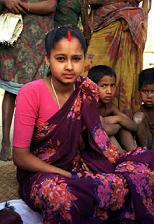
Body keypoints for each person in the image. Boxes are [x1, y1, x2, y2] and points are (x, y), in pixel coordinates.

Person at [13, 26, 154, 224]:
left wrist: (108, 162)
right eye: (61, 59)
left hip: (82, 164)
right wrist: (66, 174)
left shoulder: (86, 90)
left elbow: (97, 141)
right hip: (44, 174)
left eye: (76, 59)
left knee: (147, 161)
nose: (69, 66)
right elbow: (20, 156)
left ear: (84, 59)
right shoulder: (31, 92)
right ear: (47, 59)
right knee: (61, 198)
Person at [0, 0, 57, 161]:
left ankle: (29, 143)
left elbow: (50, 6)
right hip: (12, 35)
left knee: (34, 92)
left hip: (37, 39)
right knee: (10, 90)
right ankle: (5, 142)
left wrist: (23, 7)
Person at [84, 0, 151, 116]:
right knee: (92, 76)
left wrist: (140, 18)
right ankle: (88, 119)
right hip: (106, 24)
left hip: (130, 27)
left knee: (126, 78)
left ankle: (122, 120)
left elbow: (146, 4)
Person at [88, 65, 137, 152]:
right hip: (89, 143)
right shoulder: (88, 105)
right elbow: (103, 132)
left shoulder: (109, 106)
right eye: (104, 86)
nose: (109, 91)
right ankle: (121, 155)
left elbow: (134, 127)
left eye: (112, 85)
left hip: (108, 136)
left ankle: (133, 152)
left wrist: (117, 119)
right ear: (92, 86)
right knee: (109, 127)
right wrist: (119, 121)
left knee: (124, 122)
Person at [133, 67, 154, 150]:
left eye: (153, 91)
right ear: (139, 91)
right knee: (138, 117)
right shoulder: (140, 112)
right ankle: (144, 154)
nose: (149, 96)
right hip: (148, 145)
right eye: (145, 91)